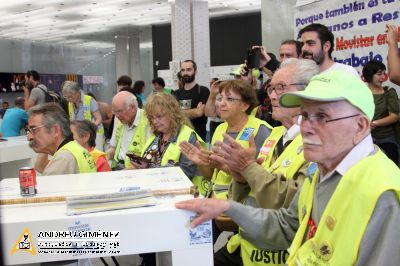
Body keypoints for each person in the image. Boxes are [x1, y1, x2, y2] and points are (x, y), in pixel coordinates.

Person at [176, 70, 400, 265]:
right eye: (305, 116)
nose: (307, 128)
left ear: (359, 126)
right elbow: (288, 225)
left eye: (321, 117)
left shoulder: (382, 192)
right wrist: (227, 206)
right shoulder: (323, 171)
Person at [212, 58, 319, 266]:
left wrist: (247, 168)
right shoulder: (276, 134)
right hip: (247, 245)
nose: (271, 95)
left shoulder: (315, 142)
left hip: (280, 253)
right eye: (271, 88)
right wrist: (239, 177)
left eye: (280, 88)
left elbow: (292, 201)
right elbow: (249, 193)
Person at [130, 93, 202, 181]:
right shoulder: (156, 136)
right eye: (152, 117)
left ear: (172, 114)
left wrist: (149, 167)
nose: (154, 121)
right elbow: (148, 163)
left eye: (159, 116)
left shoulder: (188, 136)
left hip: (186, 191)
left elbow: (186, 174)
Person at [27, 103, 96, 175]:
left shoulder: (63, 159)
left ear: (55, 130)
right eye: (28, 131)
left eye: (34, 130)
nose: (29, 137)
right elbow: (40, 166)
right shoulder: (75, 149)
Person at [362, 60, 399, 164]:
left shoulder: (389, 92)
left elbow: (394, 117)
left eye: (384, 73)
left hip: (386, 138)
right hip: (365, 139)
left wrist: (373, 124)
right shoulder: (361, 93)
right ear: (369, 75)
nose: (383, 77)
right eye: (379, 74)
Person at [106, 91, 150, 170]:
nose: (117, 116)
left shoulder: (147, 121)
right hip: (117, 166)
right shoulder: (120, 119)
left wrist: (125, 172)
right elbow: (114, 148)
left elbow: (149, 157)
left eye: (119, 111)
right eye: (114, 112)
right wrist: (104, 156)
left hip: (137, 170)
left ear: (133, 107)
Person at [172, 60, 210, 141]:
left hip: (198, 138)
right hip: (180, 137)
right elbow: (172, 115)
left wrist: (178, 112)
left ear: (195, 71)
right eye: (183, 70)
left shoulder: (203, 90)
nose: (185, 73)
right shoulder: (175, 93)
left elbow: (199, 113)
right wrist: (194, 111)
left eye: (189, 70)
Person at [62, 81, 104, 151]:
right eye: (66, 97)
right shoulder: (70, 103)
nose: (68, 99)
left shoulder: (89, 100)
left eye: (70, 96)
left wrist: (90, 128)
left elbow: (99, 119)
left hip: (95, 134)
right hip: (80, 134)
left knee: (95, 155)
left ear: (78, 92)